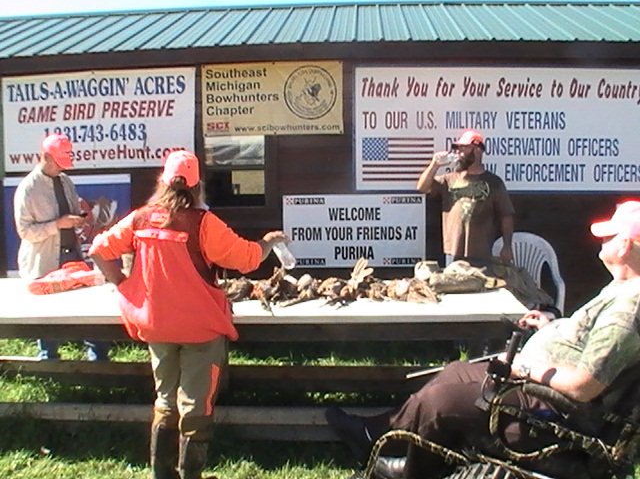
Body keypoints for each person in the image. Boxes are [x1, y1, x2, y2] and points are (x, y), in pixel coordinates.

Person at [326, 200, 640, 479]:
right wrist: (552, 327)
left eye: (610, 235)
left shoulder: (628, 308)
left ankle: (409, 469)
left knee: (442, 402)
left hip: (556, 415)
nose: (602, 239)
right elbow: (587, 338)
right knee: (454, 372)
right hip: (544, 390)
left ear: (625, 245)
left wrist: (523, 367)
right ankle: (376, 435)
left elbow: (584, 385)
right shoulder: (621, 288)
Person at [89, 149, 289, 479]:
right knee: (196, 407)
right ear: (198, 186)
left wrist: (124, 286)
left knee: (165, 400)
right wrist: (268, 241)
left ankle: (161, 474)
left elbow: (99, 249)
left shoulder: (140, 218)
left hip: (156, 327)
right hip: (200, 328)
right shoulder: (204, 224)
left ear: (164, 181)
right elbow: (249, 258)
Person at [13, 133, 110, 361]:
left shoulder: (66, 181)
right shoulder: (27, 188)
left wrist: (79, 218)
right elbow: (25, 232)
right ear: (45, 156)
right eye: (58, 162)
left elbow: (72, 211)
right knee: (48, 317)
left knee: (89, 308)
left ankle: (99, 360)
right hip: (44, 261)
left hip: (72, 256)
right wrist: (58, 224)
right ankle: (48, 363)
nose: (61, 167)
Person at [416, 129, 514, 267]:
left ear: (477, 150)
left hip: (481, 252)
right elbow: (422, 188)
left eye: (464, 148)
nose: (458, 153)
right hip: (452, 251)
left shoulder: (494, 182)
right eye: (458, 148)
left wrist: (507, 246)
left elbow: (506, 215)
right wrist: (435, 165)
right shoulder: (449, 179)